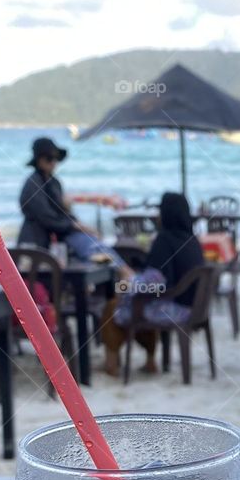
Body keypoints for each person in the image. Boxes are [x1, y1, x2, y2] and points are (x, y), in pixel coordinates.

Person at [100, 192, 205, 377]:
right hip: (194, 307)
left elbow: (155, 282)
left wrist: (128, 281)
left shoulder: (164, 240)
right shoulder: (192, 239)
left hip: (173, 308)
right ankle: (150, 361)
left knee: (113, 306)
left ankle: (112, 363)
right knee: (136, 302)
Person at [18, 138, 126, 268]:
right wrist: (76, 225)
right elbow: (46, 217)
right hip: (36, 242)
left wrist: (76, 223)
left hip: (59, 239)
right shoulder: (33, 184)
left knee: (94, 248)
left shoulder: (53, 182)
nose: (53, 163)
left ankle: (124, 272)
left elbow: (59, 212)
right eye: (49, 159)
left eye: (55, 159)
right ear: (39, 160)